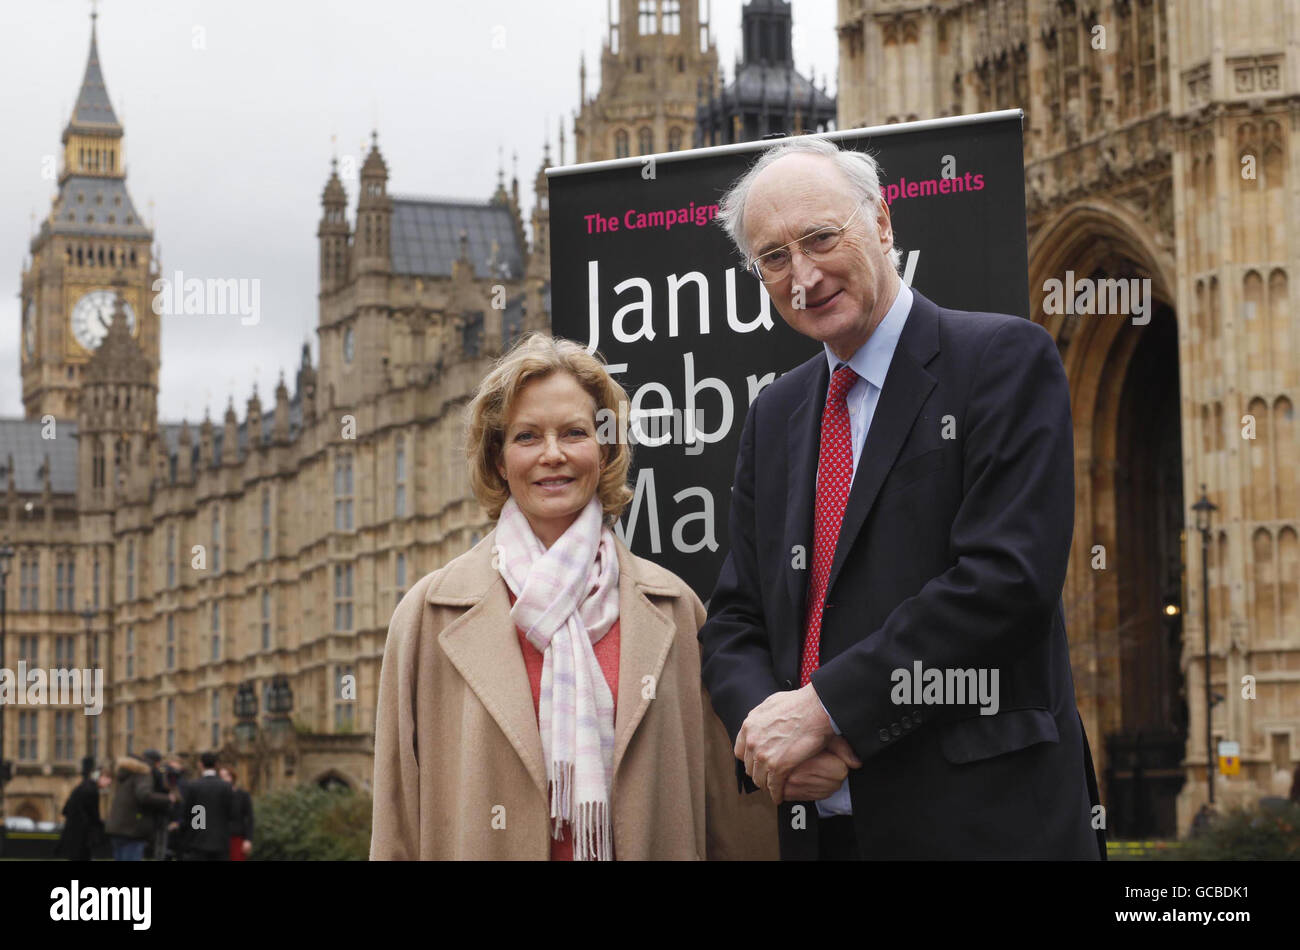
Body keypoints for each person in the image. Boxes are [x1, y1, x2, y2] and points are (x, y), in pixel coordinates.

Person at [698, 136, 1105, 860]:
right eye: (774, 258)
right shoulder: (777, 415)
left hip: (984, 827)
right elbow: (735, 619)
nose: (804, 275)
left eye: (821, 238)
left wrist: (827, 713)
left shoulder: (1001, 361)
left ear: (883, 223)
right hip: (824, 833)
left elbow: (1004, 584)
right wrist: (777, 737)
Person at [370, 332, 776, 860]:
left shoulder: (675, 609)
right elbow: (396, 824)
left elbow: (733, 818)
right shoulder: (428, 616)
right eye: (527, 437)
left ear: (604, 449)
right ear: (498, 459)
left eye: (574, 433)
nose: (553, 455)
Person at [105, 752, 173, 861]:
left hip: (117, 827)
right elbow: (144, 795)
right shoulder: (142, 774)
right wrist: (168, 798)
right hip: (133, 828)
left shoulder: (123, 775)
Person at [55, 756, 105, 861]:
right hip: (83, 837)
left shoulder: (79, 788)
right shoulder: (91, 789)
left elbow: (65, 810)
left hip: (73, 836)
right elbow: (94, 816)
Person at [220, 766, 254, 860]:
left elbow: (249, 818)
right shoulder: (217, 796)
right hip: (220, 840)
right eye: (221, 777)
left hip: (237, 838)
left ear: (232, 777)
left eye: (226, 776)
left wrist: (248, 839)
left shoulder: (243, 795)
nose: (223, 779)